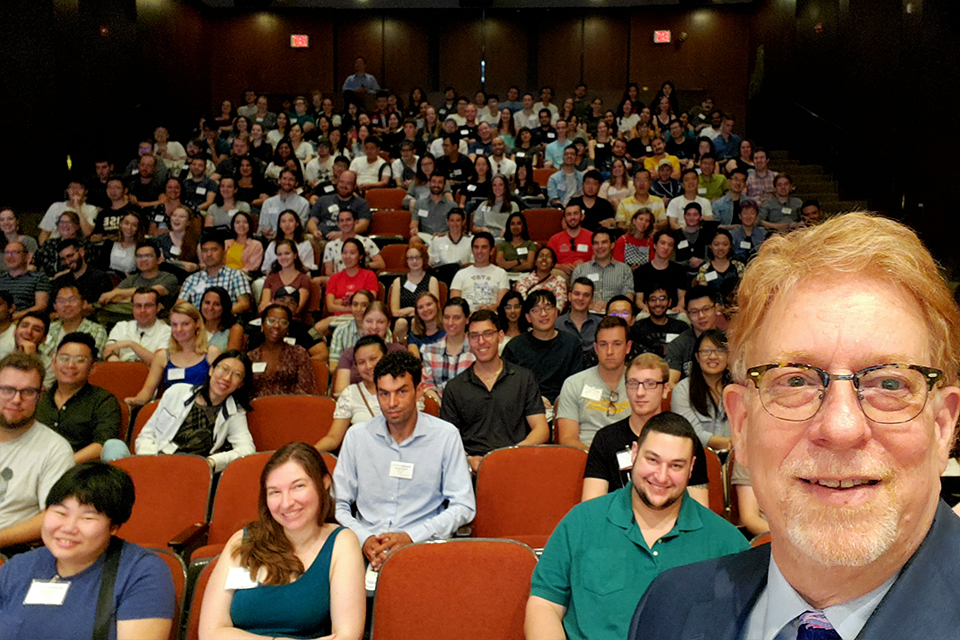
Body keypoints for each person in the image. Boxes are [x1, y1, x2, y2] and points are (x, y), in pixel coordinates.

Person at [628, 212, 960, 639]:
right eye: (796, 380)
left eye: (890, 383)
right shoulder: (667, 609)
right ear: (742, 425)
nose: (840, 428)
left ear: (942, 427)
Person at [527, 412, 748, 640]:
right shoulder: (581, 521)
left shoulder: (726, 542)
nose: (661, 477)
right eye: (652, 460)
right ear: (634, 454)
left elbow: (752, 620)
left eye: (676, 466)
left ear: (691, 468)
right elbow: (545, 605)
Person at [199, 442, 365, 639]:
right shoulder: (241, 541)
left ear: (324, 483)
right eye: (275, 492)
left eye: (298, 486)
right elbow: (210, 632)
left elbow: (346, 636)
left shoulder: (341, 543)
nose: (286, 503)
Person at [333, 351, 476, 572]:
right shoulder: (357, 436)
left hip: (423, 546)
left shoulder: (445, 436)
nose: (392, 403)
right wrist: (365, 539)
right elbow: (338, 503)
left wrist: (412, 536)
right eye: (384, 394)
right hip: (365, 548)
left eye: (401, 392)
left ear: (419, 391)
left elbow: (463, 505)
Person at [0, 462, 175, 639]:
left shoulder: (141, 572)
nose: (68, 527)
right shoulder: (17, 567)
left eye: (87, 517)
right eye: (60, 513)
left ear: (113, 526)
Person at [582, 353, 708, 504]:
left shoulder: (684, 440)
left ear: (665, 389)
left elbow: (699, 509)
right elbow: (591, 507)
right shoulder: (605, 439)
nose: (640, 393)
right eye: (633, 383)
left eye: (650, 384)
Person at [439, 310, 550, 472]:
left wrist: (513, 454)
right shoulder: (455, 387)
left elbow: (541, 429)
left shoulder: (523, 378)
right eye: (475, 336)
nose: (481, 341)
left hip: (517, 463)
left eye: (488, 334)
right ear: (468, 340)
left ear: (500, 336)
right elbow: (447, 438)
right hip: (471, 469)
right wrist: (467, 459)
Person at [107, 351, 254, 471]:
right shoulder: (177, 391)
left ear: (241, 384)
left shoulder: (235, 411)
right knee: (113, 447)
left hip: (191, 471)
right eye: (224, 369)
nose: (227, 378)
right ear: (211, 370)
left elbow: (247, 449)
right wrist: (152, 459)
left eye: (237, 375)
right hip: (156, 460)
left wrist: (212, 461)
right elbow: (146, 435)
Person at [0, 353, 75, 552]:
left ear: (40, 396)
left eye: (27, 391)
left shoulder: (55, 449)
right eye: (7, 390)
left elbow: (54, 516)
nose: (16, 399)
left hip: (10, 551)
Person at [37, 333, 121, 463]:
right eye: (64, 358)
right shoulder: (38, 398)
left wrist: (62, 464)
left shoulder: (103, 401)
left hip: (78, 472)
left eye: (80, 360)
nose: (70, 365)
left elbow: (103, 444)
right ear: (53, 363)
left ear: (92, 368)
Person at [556, 316, 633, 450]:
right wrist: (598, 460)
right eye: (603, 345)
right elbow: (567, 439)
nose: (609, 351)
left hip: (630, 457)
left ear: (628, 347)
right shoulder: (574, 383)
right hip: (585, 457)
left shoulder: (640, 384)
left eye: (617, 344)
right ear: (596, 349)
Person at [125, 301, 221, 406]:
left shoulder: (212, 353)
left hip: (203, 410)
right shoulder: (162, 356)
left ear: (197, 324)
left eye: (185, 324)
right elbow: (147, 392)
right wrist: (135, 400)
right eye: (174, 325)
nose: (179, 329)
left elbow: (219, 391)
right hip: (172, 410)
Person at [501, 291, 583, 406]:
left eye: (548, 308)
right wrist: (533, 400)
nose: (543, 314)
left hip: (565, 406)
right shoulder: (515, 347)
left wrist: (560, 402)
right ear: (528, 317)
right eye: (536, 310)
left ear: (556, 312)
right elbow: (508, 385)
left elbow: (577, 383)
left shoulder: (571, 343)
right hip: (526, 406)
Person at [320, 335, 389, 453]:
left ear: (386, 358)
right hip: (365, 457)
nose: (369, 366)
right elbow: (333, 439)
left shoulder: (402, 390)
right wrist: (307, 453)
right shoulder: (350, 393)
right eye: (361, 362)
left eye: (373, 359)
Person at [670, 329, 732, 451]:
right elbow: (690, 432)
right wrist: (729, 444)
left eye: (720, 350)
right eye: (706, 351)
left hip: (736, 459)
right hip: (698, 457)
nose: (713, 356)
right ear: (697, 357)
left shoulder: (738, 389)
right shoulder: (683, 390)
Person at [333, 302, 406, 395]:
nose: (374, 326)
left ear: (388, 324)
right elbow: (341, 391)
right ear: (362, 322)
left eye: (380, 322)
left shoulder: (399, 351)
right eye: (369, 321)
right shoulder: (349, 353)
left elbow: (407, 386)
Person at [246, 304, 316, 398]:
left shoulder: (298, 353)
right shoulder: (251, 357)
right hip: (258, 409)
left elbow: (307, 391)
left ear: (287, 329)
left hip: (291, 408)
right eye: (271, 321)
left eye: (283, 322)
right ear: (262, 325)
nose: (277, 326)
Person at [178, 233, 253, 317]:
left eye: (214, 250)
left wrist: (216, 316)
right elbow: (179, 306)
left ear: (224, 251)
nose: (209, 254)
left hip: (226, 323)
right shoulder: (192, 279)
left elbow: (244, 303)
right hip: (198, 324)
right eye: (205, 250)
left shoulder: (236, 275)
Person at [421, 298, 474, 403]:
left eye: (457, 318)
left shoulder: (477, 350)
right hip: (440, 410)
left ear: (467, 319)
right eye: (446, 317)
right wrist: (441, 406)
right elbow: (427, 385)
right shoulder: (429, 351)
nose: (450, 323)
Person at [664, 286, 719, 386]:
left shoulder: (728, 341)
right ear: (688, 315)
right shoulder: (678, 345)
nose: (701, 316)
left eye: (706, 309)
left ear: (716, 308)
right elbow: (671, 382)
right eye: (694, 312)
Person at [42, 285, 109, 365]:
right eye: (61, 300)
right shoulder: (49, 328)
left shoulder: (96, 330)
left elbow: (93, 361)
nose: (67, 304)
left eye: (72, 300)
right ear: (55, 306)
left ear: (84, 304)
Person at [104, 287, 172, 365]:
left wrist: (131, 344)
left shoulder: (167, 332)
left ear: (158, 308)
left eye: (148, 305)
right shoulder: (121, 327)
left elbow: (160, 363)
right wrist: (121, 367)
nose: (142, 310)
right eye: (138, 306)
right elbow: (108, 352)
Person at [387, 244, 439, 344]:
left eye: (417, 257)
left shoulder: (431, 280)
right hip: (401, 320)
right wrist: (411, 310)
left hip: (425, 318)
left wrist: (415, 311)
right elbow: (394, 311)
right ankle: (399, 351)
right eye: (410, 258)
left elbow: (435, 308)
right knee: (401, 323)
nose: (414, 261)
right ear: (406, 260)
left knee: (415, 322)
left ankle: (419, 351)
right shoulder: (398, 281)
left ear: (424, 258)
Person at [571, 229, 634, 310]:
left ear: (612, 245)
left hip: (614, 316)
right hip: (586, 315)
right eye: (596, 243)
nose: (600, 246)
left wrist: (610, 307)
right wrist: (591, 306)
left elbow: (628, 297)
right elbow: (574, 298)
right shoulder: (580, 270)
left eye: (604, 242)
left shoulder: (625, 270)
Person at [450, 232, 509, 313]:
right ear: (472, 250)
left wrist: (490, 308)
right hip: (467, 319)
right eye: (476, 247)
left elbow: (501, 304)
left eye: (484, 247)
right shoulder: (461, 274)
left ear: (492, 250)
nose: (479, 251)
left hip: (491, 317)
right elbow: (455, 304)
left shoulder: (501, 273)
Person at [630, 283, 689, 358]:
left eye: (662, 299)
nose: (658, 303)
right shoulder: (637, 329)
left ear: (669, 302)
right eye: (653, 299)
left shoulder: (682, 328)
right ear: (646, 303)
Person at [260, 239, 312, 322]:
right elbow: (264, 306)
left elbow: (296, 309)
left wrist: (273, 304)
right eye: (279, 254)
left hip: (294, 322)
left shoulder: (304, 279)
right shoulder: (271, 278)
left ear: (295, 255)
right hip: (272, 321)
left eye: (287, 253)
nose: (283, 257)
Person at [0, 241, 50, 320]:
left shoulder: (38, 278)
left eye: (15, 252)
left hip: (26, 321)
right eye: (7, 253)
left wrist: (16, 316)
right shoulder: (1, 279)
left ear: (26, 256)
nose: (9, 256)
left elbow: (41, 306)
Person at [692, 229, 745, 298]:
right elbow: (704, 295)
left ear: (730, 246)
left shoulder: (739, 266)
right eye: (716, 244)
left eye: (725, 244)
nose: (721, 248)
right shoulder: (704, 269)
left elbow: (744, 290)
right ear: (710, 246)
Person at [515, 246, 569, 311]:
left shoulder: (559, 281)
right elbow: (522, 304)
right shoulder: (523, 280)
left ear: (553, 263)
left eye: (548, 256)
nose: (544, 258)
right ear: (535, 262)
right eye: (541, 256)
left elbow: (560, 305)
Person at [547, 203, 594, 278]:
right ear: (564, 219)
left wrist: (585, 265)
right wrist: (561, 267)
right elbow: (547, 262)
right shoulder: (555, 239)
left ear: (582, 216)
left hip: (586, 273)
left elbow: (599, 260)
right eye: (569, 214)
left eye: (575, 214)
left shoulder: (592, 237)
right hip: (562, 275)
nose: (572, 217)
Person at [223, 210, 264, 276]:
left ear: (249, 225)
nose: (241, 225)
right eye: (237, 222)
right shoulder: (226, 243)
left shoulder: (256, 245)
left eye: (245, 222)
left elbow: (251, 268)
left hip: (243, 276)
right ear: (233, 225)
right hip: (224, 275)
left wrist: (233, 275)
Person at [201, 287, 235, 351]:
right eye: (207, 303)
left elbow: (231, 359)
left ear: (224, 307)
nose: (210, 308)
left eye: (217, 304)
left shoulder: (233, 330)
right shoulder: (193, 327)